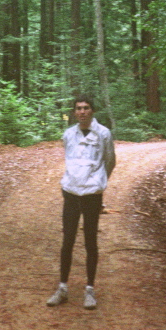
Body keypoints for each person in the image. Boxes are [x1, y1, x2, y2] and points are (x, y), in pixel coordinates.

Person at [46, 95, 116, 310]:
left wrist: (99, 181)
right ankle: (62, 288)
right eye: (78, 108)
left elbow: (110, 161)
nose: (82, 112)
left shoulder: (103, 133)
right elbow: (69, 160)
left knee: (90, 241)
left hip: (92, 193)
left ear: (92, 110)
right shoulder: (69, 134)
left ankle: (89, 289)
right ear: (74, 112)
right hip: (70, 192)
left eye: (86, 108)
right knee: (67, 239)